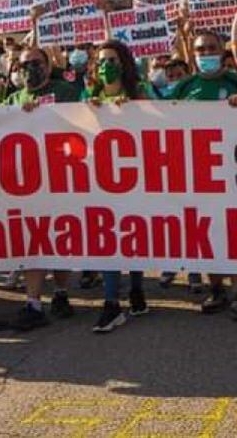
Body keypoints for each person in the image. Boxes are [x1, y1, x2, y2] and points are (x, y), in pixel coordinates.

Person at [172, 29, 237, 322]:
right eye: (200, 49)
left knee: (236, 233)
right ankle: (217, 288)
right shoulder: (185, 88)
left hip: (236, 172)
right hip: (199, 174)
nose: (206, 53)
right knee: (207, 232)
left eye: (211, 48)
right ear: (193, 55)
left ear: (222, 52)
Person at [2, 45, 82, 327]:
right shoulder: (13, 98)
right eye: (24, 65)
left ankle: (60, 292)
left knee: (58, 239)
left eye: (36, 63)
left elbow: (79, 123)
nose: (30, 69)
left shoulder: (66, 91)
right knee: (32, 241)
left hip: (61, 177)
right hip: (26, 182)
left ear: (48, 66)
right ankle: (33, 302)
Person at [83, 40, 153, 332]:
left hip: (136, 177)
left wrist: (136, 110)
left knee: (133, 234)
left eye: (111, 60)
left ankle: (137, 290)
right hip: (101, 179)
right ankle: (112, 303)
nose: (106, 66)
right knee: (106, 238)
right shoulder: (89, 95)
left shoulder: (141, 93)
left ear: (124, 64)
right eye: (101, 61)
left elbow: (166, 121)